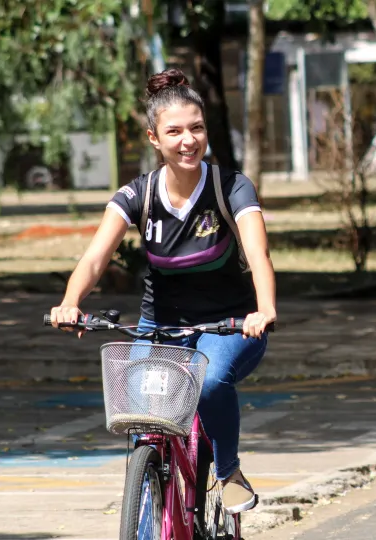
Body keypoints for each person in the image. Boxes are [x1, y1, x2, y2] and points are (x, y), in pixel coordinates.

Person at [49, 68, 276, 514]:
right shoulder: (139, 195)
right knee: (139, 406)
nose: (188, 140)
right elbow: (96, 256)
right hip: (161, 324)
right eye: (175, 131)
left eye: (197, 128)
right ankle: (150, 489)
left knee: (210, 384)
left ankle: (228, 472)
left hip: (229, 324)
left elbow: (259, 253)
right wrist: (70, 302)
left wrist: (264, 309)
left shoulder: (230, 187)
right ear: (155, 138)